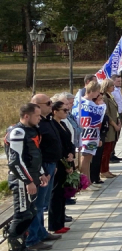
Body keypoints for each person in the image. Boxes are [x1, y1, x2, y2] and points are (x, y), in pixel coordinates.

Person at [4, 103, 44, 251]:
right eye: (37, 116)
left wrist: (40, 174)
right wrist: (27, 181)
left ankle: (22, 247)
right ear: (26, 116)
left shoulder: (30, 130)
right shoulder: (18, 131)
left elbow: (33, 155)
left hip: (31, 176)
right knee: (22, 215)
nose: (39, 118)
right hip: (21, 180)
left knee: (31, 212)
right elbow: (15, 161)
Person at [23, 94, 62, 251]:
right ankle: (33, 238)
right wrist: (43, 170)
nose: (51, 105)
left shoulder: (46, 121)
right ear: (36, 105)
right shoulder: (33, 127)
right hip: (42, 167)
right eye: (48, 103)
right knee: (38, 205)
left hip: (51, 164)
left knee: (43, 203)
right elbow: (36, 151)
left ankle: (41, 232)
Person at [47, 97, 75, 236]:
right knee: (56, 193)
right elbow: (58, 145)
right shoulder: (53, 125)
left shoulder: (63, 123)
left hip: (67, 159)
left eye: (67, 110)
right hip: (60, 162)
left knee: (63, 193)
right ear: (55, 111)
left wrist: (72, 153)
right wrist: (65, 158)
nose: (66, 112)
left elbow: (69, 141)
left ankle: (61, 220)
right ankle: (55, 223)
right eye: (64, 110)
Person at [75, 80, 106, 183]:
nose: (98, 94)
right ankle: (84, 183)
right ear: (93, 90)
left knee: (88, 160)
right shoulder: (83, 102)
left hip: (92, 136)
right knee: (84, 159)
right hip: (85, 136)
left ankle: (88, 182)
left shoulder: (85, 102)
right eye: (98, 92)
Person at [99, 77, 120, 179]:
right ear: (107, 87)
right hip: (109, 127)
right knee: (106, 150)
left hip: (114, 125)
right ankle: (103, 170)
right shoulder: (104, 98)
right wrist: (114, 124)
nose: (114, 87)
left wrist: (118, 121)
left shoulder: (110, 96)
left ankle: (107, 169)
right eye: (112, 85)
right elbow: (106, 114)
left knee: (109, 148)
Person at [110, 74, 122, 163]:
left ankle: (113, 152)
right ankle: (110, 154)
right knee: (114, 134)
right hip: (115, 114)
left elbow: (119, 103)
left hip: (120, 113)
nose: (120, 83)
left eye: (121, 81)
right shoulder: (113, 91)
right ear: (113, 82)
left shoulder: (118, 90)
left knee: (117, 135)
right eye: (118, 81)